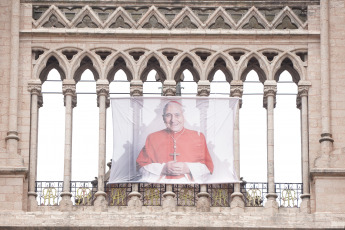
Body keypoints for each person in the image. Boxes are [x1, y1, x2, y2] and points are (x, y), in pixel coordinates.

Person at [136, 101, 214, 183]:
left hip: (189, 186)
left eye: (177, 115)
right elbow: (140, 166)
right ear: (163, 118)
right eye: (168, 115)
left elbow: (208, 167)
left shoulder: (198, 137)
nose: (173, 120)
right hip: (160, 186)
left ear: (184, 116)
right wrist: (163, 168)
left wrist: (188, 168)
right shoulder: (152, 138)